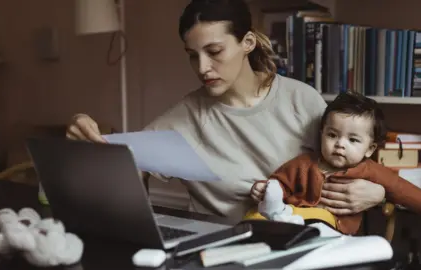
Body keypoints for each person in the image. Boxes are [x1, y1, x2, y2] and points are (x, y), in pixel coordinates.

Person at [65, 0, 386, 222]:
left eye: (214, 51)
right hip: (220, 253)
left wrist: (378, 192)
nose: (203, 67)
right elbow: (125, 166)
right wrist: (87, 136)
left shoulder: (301, 100)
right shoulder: (183, 118)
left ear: (247, 42)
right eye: (193, 55)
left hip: (304, 246)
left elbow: (350, 164)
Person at [248, 92, 421, 235]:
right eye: (332, 135)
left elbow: (399, 187)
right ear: (322, 134)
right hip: (295, 214)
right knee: (260, 214)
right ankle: (276, 217)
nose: (340, 144)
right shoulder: (304, 163)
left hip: (335, 225)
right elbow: (281, 181)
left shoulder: (368, 170)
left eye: (353, 140)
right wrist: (265, 189)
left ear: (370, 149)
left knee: (317, 225)